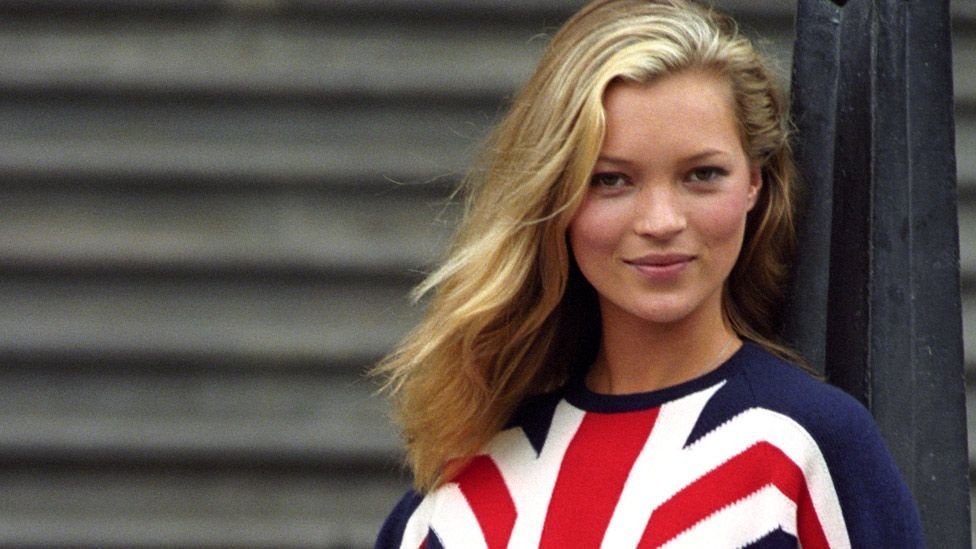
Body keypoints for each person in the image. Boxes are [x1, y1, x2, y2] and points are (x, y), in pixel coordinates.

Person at [372, 0, 924, 547]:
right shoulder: (463, 485)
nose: (661, 222)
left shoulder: (807, 447)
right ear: (554, 196)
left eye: (702, 174)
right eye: (611, 180)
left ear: (754, 182)